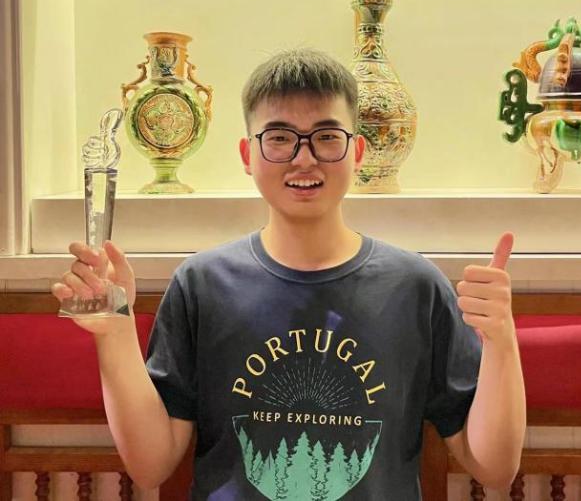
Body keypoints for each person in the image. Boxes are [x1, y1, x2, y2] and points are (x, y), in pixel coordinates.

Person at [52, 47, 526, 500]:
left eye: (326, 136)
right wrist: (115, 333)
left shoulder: (416, 287)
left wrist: (501, 339)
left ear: (357, 151)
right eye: (279, 138)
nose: (304, 158)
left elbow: (493, 467)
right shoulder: (202, 285)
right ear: (247, 154)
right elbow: (151, 464)